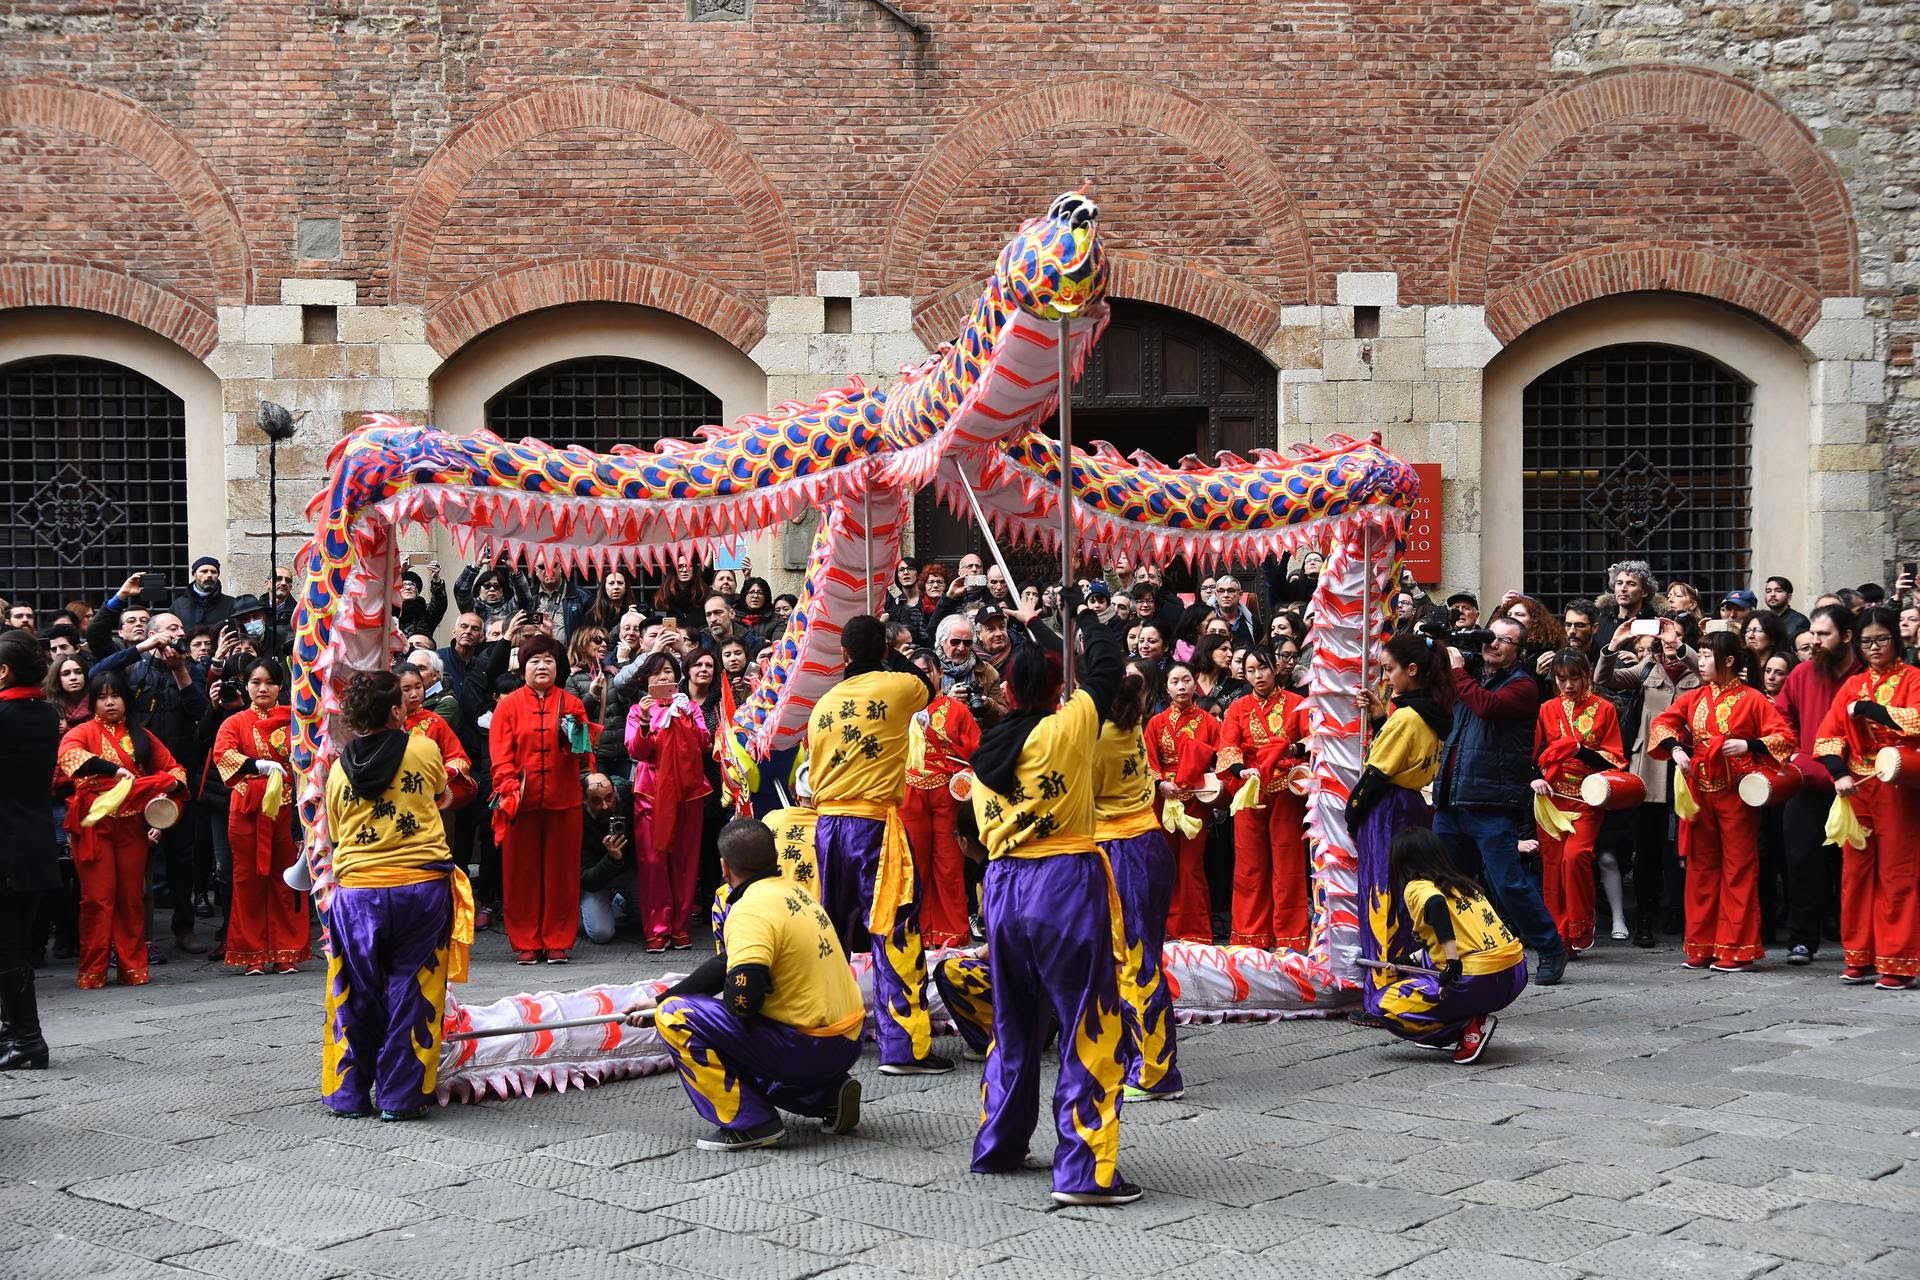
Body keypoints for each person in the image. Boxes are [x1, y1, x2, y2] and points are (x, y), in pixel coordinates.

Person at [968, 618, 1138, 1205]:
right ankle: (1086, 1171)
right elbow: (1108, 666)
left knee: (1013, 1022)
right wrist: (1081, 616)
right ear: (1052, 691)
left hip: (1003, 888)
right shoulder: (1065, 728)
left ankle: (999, 1143)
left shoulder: (985, 749)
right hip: (1063, 880)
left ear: (1009, 691)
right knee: (1089, 1023)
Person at [624, 818, 864, 1151]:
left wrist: (675, 1010)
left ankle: (750, 1122)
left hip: (809, 1048)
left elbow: (743, 1001)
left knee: (677, 1016)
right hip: (848, 1040)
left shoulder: (749, 909)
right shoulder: (794, 892)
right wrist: (660, 999)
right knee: (675, 1007)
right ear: (774, 855)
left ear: (724, 866)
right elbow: (726, 963)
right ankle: (825, 1097)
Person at [321, 670, 471, 1121]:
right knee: (414, 985)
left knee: (354, 988)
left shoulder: (337, 768)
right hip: (419, 887)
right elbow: (443, 792)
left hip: (357, 893)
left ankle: (349, 1095)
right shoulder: (423, 749)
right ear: (394, 710)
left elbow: (332, 831)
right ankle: (400, 1097)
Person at [808, 615, 947, 1074]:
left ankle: (824, 1037)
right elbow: (923, 680)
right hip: (872, 828)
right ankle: (903, 1048)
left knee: (832, 936)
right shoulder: (898, 687)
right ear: (884, 652)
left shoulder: (824, 703)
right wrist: (892, 650)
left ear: (843, 655)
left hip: (827, 829)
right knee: (895, 927)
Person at [1649, 630, 1795, 972]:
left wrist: (1750, 745)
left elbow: (1784, 738)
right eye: (1698, 655)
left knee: (1738, 869)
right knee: (1700, 869)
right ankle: (1701, 944)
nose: (1700, 663)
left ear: (1728, 661)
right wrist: (1675, 750)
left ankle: (1737, 949)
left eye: (1706, 656)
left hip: (1737, 792)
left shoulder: (1753, 699)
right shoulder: (1695, 697)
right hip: (1700, 791)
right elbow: (1662, 724)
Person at [1434, 615, 1567, 985]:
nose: (1493, 644)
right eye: (1490, 637)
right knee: (1446, 883)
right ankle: (1459, 951)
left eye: (1504, 640)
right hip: (1452, 798)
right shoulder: (1472, 678)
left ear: (1518, 650)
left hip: (1491, 801)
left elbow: (1488, 707)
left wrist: (1458, 671)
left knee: (1507, 882)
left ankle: (1550, 946)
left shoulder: (1523, 686)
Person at [54, 671, 188, 987]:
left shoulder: (141, 736)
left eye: (115, 695)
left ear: (126, 700)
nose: (110, 702)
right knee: (98, 898)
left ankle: (133, 967)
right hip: (93, 826)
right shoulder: (82, 732)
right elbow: (69, 758)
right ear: (93, 701)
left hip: (131, 826)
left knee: (131, 897)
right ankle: (93, 970)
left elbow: (177, 772)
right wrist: (114, 770)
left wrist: (159, 806)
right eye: (102, 696)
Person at [1348, 632, 1455, 1021]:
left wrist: (1352, 813)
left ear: (1412, 670)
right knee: (1404, 896)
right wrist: (1381, 718)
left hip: (1386, 808)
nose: (1387, 676)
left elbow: (1377, 773)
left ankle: (1381, 998)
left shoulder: (1408, 717)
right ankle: (1406, 985)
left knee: (1381, 897)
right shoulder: (1428, 712)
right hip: (1411, 806)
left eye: (1390, 669)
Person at [1814, 606, 1920, 989]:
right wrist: (1839, 774)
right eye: (1866, 642)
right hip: (1857, 787)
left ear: (1896, 639)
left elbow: (1917, 722)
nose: (1874, 647)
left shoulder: (1913, 679)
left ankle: (1897, 961)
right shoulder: (1852, 684)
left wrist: (1871, 710)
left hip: (1898, 786)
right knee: (1855, 873)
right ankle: (1858, 954)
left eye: (1881, 639)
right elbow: (1828, 736)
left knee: (1898, 872)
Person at [1095, 660, 1182, 1101]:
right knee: (1134, 958)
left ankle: (1154, 1071)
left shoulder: (1102, 738)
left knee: (1135, 962)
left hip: (1123, 851)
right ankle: (1136, 1053)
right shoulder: (1131, 726)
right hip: (1144, 845)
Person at [1371, 828, 1527, 1064]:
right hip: (1514, 973)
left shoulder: (1417, 886)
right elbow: (1463, 933)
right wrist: (1411, 960)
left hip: (1476, 980)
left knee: (1381, 1004)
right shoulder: (1464, 884)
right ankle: (1464, 1020)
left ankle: (1465, 1028)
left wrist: (1453, 962)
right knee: (1426, 964)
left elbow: (1435, 905)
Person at [488, 634, 596, 965]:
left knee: (562, 873)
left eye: (549, 660)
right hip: (521, 802)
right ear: (523, 667)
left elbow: (583, 755)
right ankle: (525, 941)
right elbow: (500, 753)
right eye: (535, 660)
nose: (542, 665)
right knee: (520, 873)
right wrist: (507, 783)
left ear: (557, 666)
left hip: (564, 800)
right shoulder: (508, 704)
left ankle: (558, 940)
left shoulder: (572, 703)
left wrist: (577, 738)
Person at [211, 658, 308, 975]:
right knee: (247, 878)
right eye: (255, 682)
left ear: (281, 686)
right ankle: (251, 951)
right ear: (246, 686)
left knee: (286, 878)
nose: (263, 688)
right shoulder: (234, 722)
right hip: (247, 808)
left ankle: (287, 950)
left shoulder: (294, 719)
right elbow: (222, 754)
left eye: (269, 682)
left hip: (286, 808)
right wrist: (257, 766)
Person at [1773, 604, 1857, 965]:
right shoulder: (1802, 674)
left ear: (1847, 637)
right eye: (1813, 634)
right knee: (1802, 861)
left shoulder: (1864, 677)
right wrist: (1792, 754)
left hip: (1857, 784)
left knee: (1856, 866)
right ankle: (1802, 938)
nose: (1815, 641)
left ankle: (1860, 940)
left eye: (1824, 635)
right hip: (1807, 783)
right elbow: (1780, 718)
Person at [1530, 650, 1626, 953]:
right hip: (1550, 798)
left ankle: (1581, 925)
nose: (1568, 685)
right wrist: (1535, 777)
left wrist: (1579, 750)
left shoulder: (1605, 709)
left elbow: (1615, 759)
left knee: (1576, 858)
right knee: (1553, 866)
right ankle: (1558, 937)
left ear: (1587, 675)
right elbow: (1531, 753)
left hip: (1587, 798)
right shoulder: (1546, 708)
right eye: (1561, 679)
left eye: (1575, 677)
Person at [1216, 647, 1310, 951]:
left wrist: (1293, 749)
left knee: (1288, 863)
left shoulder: (1297, 703)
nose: (1258, 676)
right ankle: (1250, 935)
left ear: (1277, 667)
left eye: (1264, 668)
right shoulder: (1238, 707)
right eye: (1252, 670)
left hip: (1285, 790)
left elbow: (1313, 739)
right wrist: (1241, 771)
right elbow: (1228, 747)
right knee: (1249, 864)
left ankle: (1290, 937)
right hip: (1250, 790)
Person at [0, 633, 61, 1068]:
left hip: (7, 849)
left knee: (7, 947)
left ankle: (27, 1042)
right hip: (35, 844)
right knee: (15, 944)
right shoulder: (44, 713)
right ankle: (13, 1033)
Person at [625, 653, 713, 952]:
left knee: (686, 862)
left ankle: (680, 927)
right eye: (656, 674)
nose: (663, 678)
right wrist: (648, 722)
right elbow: (637, 751)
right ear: (647, 680)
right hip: (651, 791)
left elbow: (703, 745)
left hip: (689, 792)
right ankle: (657, 929)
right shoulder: (638, 710)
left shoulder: (690, 708)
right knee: (653, 862)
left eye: (668, 672)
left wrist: (687, 717)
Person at [902, 648, 980, 950]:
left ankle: (951, 933)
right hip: (909, 794)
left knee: (949, 864)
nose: (922, 677)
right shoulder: (898, 711)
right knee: (915, 865)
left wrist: (966, 781)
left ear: (939, 674)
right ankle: (917, 931)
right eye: (916, 672)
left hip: (948, 793)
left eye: (927, 671)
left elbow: (975, 752)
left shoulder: (956, 710)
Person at [1144, 661, 1220, 943]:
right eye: (1175, 681)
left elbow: (1221, 758)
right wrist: (1162, 784)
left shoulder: (1210, 723)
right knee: (1167, 865)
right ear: (1166, 687)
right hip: (1164, 801)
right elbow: (1149, 761)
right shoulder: (1155, 723)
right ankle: (1169, 929)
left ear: (1195, 683)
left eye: (1186, 680)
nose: (1181, 686)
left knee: (1191, 867)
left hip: (1196, 802)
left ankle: (1196, 931)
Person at [577, 772, 636, 944]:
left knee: (650, 916)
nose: (605, 806)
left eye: (609, 798)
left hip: (627, 872)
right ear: (584, 801)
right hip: (595, 881)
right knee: (601, 933)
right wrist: (611, 859)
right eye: (596, 801)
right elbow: (585, 878)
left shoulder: (627, 796)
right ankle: (583, 908)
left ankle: (619, 901)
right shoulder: (577, 817)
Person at [170, 556, 236, 630]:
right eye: (204, 571)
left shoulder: (231, 603)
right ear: (194, 575)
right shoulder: (179, 605)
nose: (209, 575)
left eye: (214, 572)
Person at [1765, 576, 1810, 640]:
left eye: (1778, 591)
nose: (1772, 594)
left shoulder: (1800, 621)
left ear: (1789, 597)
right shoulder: (1763, 620)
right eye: (1768, 591)